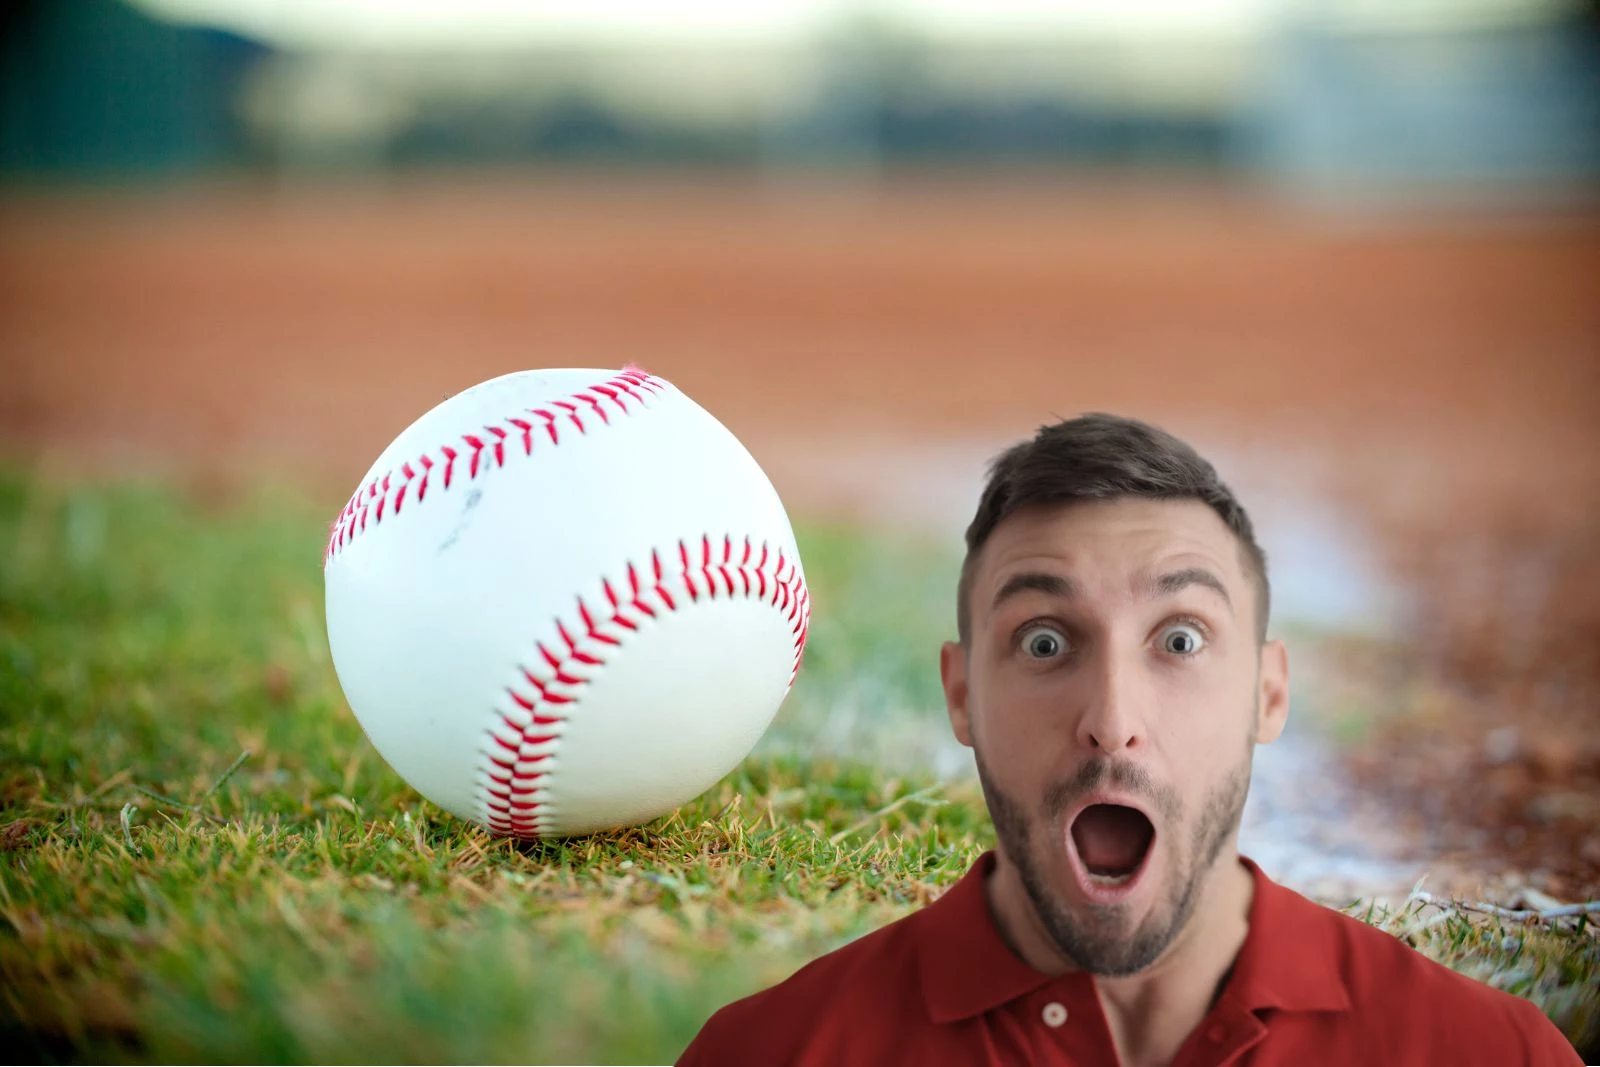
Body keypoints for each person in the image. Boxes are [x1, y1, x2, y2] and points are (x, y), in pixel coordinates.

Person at [677, 414, 1582, 1067]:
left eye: (1180, 640)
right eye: (1044, 641)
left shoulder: (1491, 1052)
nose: (1112, 720)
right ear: (962, 696)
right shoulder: (773, 1052)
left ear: (1268, 694)